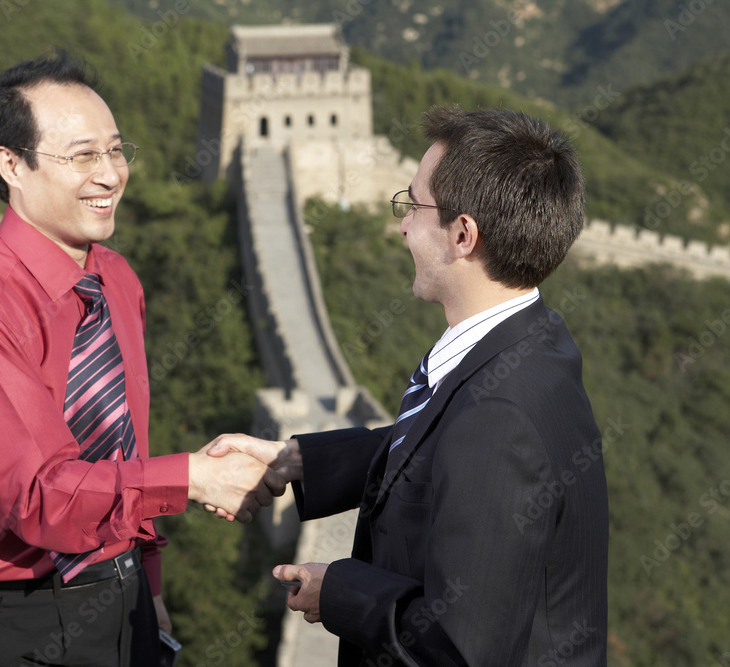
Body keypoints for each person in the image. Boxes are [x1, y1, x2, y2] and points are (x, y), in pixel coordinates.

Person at [0, 49, 284, 667]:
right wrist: (194, 477)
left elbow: (122, 447)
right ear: (12, 165)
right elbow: (39, 496)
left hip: (119, 596)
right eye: (82, 156)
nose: (110, 174)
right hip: (21, 617)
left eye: (117, 151)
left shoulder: (114, 280)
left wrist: (147, 586)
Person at [207, 106, 608, 665]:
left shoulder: (500, 417)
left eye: (414, 205)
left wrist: (340, 593)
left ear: (463, 234)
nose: (401, 224)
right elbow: (443, 447)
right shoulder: (532, 340)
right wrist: (299, 460)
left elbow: (461, 647)